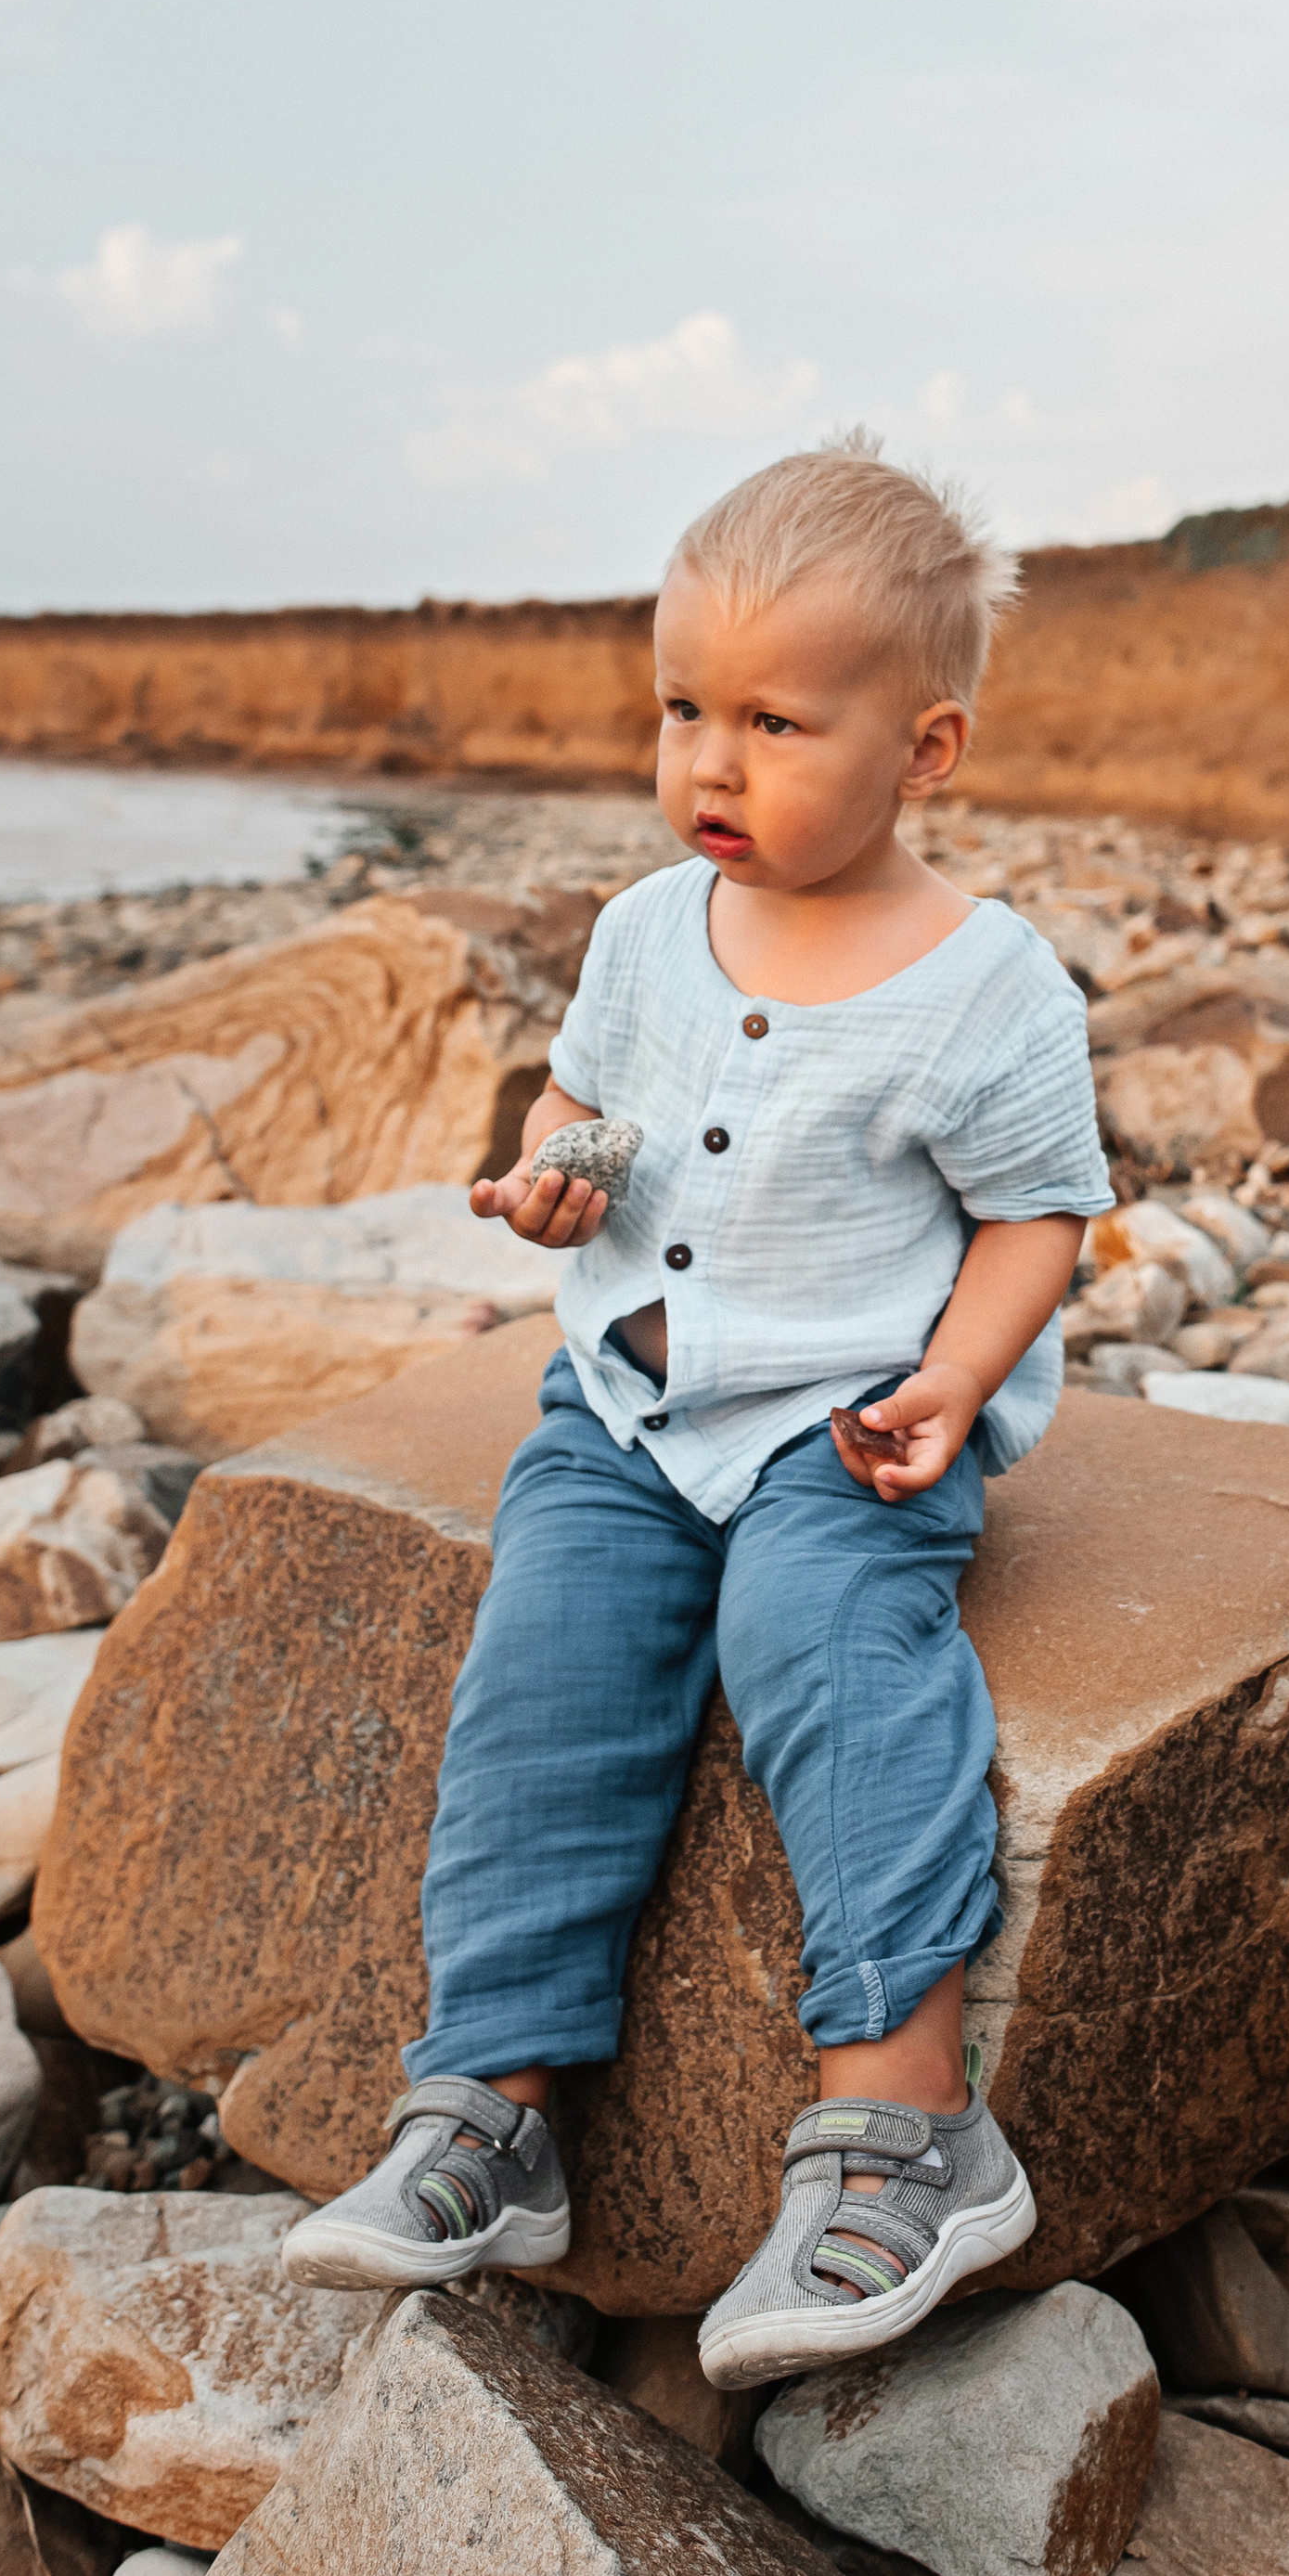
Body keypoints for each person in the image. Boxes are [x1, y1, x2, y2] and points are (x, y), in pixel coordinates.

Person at [280, 431, 1113, 2388]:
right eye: (678, 710)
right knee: (543, 1672)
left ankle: (909, 2129)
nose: (708, 765)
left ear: (925, 750)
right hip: (630, 1407)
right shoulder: (650, 928)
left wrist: (953, 1384)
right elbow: (580, 1103)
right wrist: (545, 1175)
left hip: (847, 1422)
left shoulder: (984, 987)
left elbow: (1037, 1215)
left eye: (770, 721)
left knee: (820, 1638)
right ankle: (490, 2113)